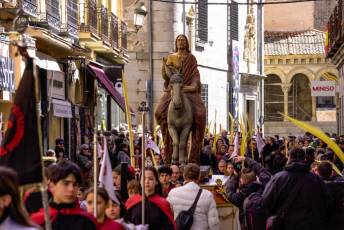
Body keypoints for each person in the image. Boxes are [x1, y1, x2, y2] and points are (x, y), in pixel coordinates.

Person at [155, 34, 206, 164]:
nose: (180, 42)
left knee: (200, 113)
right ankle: (167, 144)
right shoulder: (171, 57)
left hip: (188, 89)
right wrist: (165, 68)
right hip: (173, 88)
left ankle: (195, 149)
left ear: (187, 43)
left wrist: (193, 85)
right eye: (178, 40)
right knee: (159, 111)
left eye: (183, 40)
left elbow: (195, 74)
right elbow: (167, 77)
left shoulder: (191, 58)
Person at [262, 148, 333, 230]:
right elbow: (328, 204)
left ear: (289, 159)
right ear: (305, 159)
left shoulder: (278, 178)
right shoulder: (317, 179)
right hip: (313, 225)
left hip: (286, 225)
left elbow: (265, 202)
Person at [30, 161, 98, 230]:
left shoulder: (87, 221)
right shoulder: (36, 221)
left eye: (75, 184)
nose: (71, 189)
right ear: (52, 185)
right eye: (66, 183)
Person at [167, 163, 219, 230]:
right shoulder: (207, 195)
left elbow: (166, 217)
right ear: (199, 177)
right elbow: (214, 223)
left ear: (183, 175)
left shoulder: (173, 193)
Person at [316, 161, 344, 229]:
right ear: (332, 172)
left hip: (320, 222)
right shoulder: (340, 188)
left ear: (318, 173)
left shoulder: (314, 187)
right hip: (338, 222)